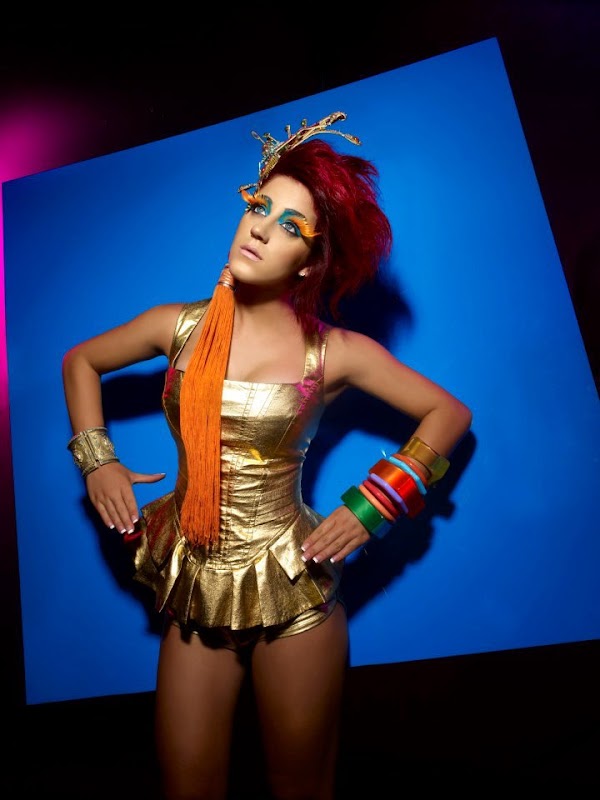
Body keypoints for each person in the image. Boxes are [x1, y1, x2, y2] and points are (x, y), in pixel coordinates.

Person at [62, 111, 472, 800]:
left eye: (289, 224)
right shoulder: (177, 326)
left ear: (309, 261)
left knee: (301, 786)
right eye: (259, 207)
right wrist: (97, 459)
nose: (259, 228)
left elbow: (449, 413)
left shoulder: (332, 352)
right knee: (186, 785)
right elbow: (80, 361)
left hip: (294, 585)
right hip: (198, 583)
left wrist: (374, 504)